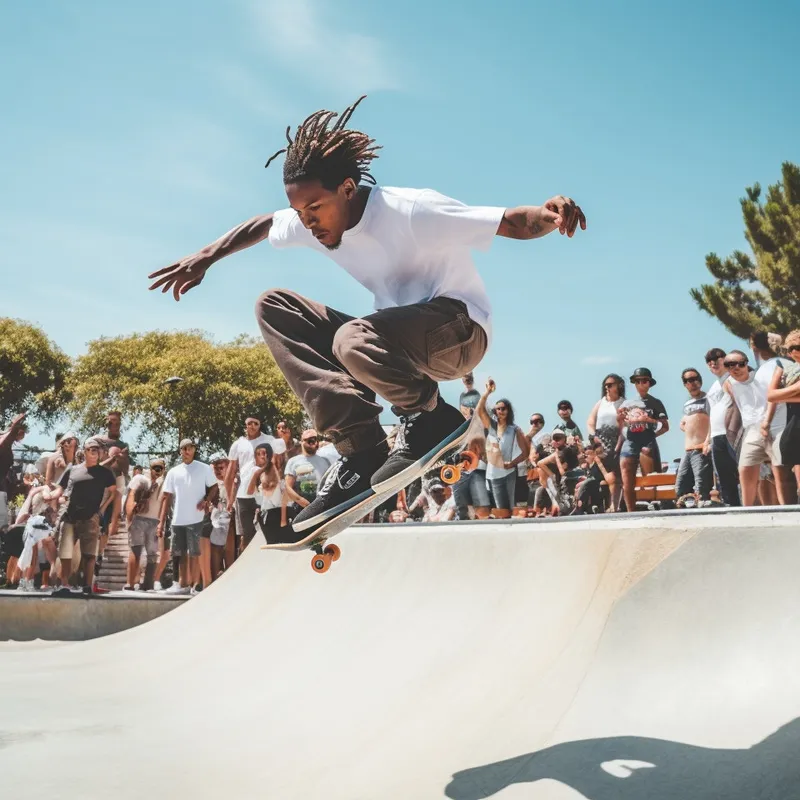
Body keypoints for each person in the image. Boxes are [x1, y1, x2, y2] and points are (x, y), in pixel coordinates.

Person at [148, 96, 586, 539]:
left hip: (460, 332)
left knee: (351, 339)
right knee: (274, 306)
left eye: (315, 210)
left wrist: (550, 214)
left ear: (348, 188)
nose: (308, 223)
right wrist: (205, 257)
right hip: (398, 348)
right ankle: (360, 448)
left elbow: (508, 221)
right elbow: (263, 224)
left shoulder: (410, 209)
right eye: (300, 213)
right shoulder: (310, 217)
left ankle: (432, 418)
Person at [48, 438, 117, 595]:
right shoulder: (72, 469)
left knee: (89, 555)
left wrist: (102, 510)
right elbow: (60, 489)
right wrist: (51, 496)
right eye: (90, 449)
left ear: (100, 453)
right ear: (84, 452)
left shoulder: (105, 473)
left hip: (90, 517)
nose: (93, 452)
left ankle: (87, 586)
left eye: (96, 450)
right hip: (69, 516)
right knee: (65, 552)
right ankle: (64, 585)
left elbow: (113, 493)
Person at [159, 440, 218, 595]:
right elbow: (167, 496)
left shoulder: (204, 468)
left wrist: (206, 501)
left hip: (197, 518)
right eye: (183, 449)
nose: (186, 451)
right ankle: (183, 584)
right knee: (179, 553)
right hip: (178, 519)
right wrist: (161, 521)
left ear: (194, 450)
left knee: (195, 553)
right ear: (180, 451)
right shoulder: (173, 472)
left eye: (189, 448)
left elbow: (214, 486)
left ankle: (196, 585)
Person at [225, 416, 286, 552]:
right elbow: (230, 473)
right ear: (245, 425)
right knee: (246, 535)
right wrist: (230, 500)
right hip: (244, 495)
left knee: (268, 531)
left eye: (255, 423)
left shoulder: (269, 440)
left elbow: (279, 463)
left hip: (266, 493)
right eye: (249, 423)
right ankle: (245, 568)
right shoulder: (238, 444)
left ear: (260, 424)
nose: (252, 426)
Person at [618, 368, 669, 513]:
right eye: (638, 381)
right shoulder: (627, 403)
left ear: (649, 383)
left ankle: (654, 509)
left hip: (648, 440)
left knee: (651, 479)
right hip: (631, 441)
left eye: (644, 381)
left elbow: (665, 426)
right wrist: (622, 420)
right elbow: (620, 425)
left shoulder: (655, 402)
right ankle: (630, 512)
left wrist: (649, 424)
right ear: (634, 383)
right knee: (627, 477)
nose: (641, 384)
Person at [476, 380, 530, 518]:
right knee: (497, 509)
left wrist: (512, 463)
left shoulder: (514, 429)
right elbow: (479, 411)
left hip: (508, 474)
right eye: (498, 408)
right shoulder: (491, 426)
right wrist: (487, 393)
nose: (501, 411)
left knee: (507, 508)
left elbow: (525, 452)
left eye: (504, 408)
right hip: (492, 473)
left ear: (508, 410)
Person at [703, 347, 741, 506]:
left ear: (725, 359)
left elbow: (740, 404)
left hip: (733, 433)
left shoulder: (732, 379)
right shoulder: (712, 387)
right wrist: (707, 440)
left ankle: (750, 507)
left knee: (742, 472)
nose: (713, 363)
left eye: (717, 359)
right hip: (716, 436)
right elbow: (712, 415)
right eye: (709, 361)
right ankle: (732, 508)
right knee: (723, 477)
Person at [766, 330, 800, 499]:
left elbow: (777, 395)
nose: (795, 352)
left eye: (798, 347)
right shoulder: (786, 368)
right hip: (794, 423)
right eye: (791, 348)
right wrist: (795, 390)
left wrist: (785, 394)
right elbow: (771, 396)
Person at [124, 458, 165, 591]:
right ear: (150, 468)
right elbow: (131, 495)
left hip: (154, 520)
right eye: (155, 468)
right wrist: (129, 517)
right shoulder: (140, 479)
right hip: (139, 519)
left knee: (152, 554)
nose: (157, 471)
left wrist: (162, 522)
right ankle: (130, 584)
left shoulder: (164, 483)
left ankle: (148, 584)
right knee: (135, 550)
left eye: (160, 468)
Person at [586, 374, 625, 511]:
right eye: (605, 385)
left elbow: (623, 427)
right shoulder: (601, 402)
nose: (607, 387)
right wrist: (593, 436)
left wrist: (619, 444)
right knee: (604, 476)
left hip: (616, 441)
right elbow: (590, 421)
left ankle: (615, 504)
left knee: (616, 476)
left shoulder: (623, 403)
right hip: (600, 443)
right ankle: (607, 505)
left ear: (618, 385)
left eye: (610, 385)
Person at [675, 368, 712, 506]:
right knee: (681, 487)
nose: (693, 382)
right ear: (685, 384)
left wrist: (707, 442)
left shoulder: (708, 399)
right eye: (689, 380)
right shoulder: (687, 403)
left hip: (701, 449)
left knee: (701, 486)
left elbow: (714, 421)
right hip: (688, 450)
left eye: (696, 378)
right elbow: (686, 421)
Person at [284, 429, 333, 513]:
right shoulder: (293, 461)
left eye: (315, 440)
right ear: (302, 442)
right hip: (301, 508)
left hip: (323, 506)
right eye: (310, 440)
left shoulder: (325, 461)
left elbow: (330, 483)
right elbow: (288, 487)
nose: (313, 442)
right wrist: (300, 500)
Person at [208, 452, 233, 581]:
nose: (218, 471)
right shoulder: (213, 484)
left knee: (229, 551)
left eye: (221, 468)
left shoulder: (234, 480)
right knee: (215, 549)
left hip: (230, 520)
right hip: (216, 519)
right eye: (215, 468)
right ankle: (214, 578)